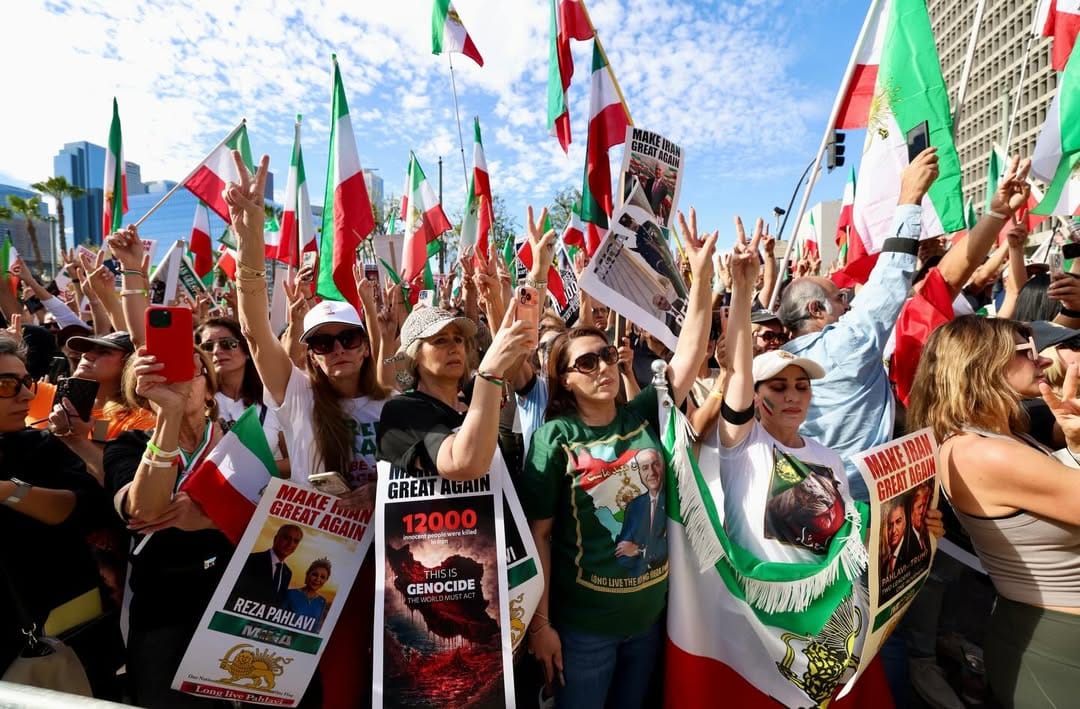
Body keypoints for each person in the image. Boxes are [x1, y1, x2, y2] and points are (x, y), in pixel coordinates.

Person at [521, 208, 716, 708]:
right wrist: (540, 626)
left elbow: (690, 356)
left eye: (607, 355)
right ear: (564, 379)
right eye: (586, 362)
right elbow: (540, 537)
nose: (603, 366)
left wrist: (700, 280)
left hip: (650, 622)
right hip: (584, 632)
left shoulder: (641, 413)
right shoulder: (554, 437)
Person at [227, 152, 390, 708]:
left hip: (387, 562)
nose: (338, 349)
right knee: (338, 686)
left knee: (391, 681)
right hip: (320, 560)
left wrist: (379, 492)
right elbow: (252, 326)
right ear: (310, 355)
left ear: (365, 343)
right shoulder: (295, 394)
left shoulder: (393, 405)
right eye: (323, 343)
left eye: (348, 338)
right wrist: (251, 236)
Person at [907, 315, 1080, 708]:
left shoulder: (1001, 437)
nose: (1045, 362)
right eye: (1028, 352)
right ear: (982, 363)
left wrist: (1075, 445)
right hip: (1060, 642)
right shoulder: (983, 452)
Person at [103, 344, 232, 708]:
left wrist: (208, 519)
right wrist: (170, 415)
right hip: (163, 615)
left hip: (238, 606)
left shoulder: (243, 440)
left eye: (188, 373)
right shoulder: (126, 448)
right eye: (165, 377)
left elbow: (270, 523)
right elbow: (142, 508)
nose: (178, 384)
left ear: (209, 387)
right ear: (143, 393)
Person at [0, 335, 118, 697]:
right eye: (7, 385)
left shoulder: (43, 446)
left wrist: (9, 492)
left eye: (26, 382)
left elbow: (83, 509)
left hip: (62, 642)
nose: (26, 396)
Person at [196, 317, 289, 476]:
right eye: (208, 346)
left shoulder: (272, 398)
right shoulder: (195, 402)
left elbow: (293, 461)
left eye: (228, 343)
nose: (217, 350)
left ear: (246, 351)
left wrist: (252, 470)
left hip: (260, 497)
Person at [613, 448, 667, 577]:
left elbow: (672, 545)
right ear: (640, 474)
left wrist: (639, 550)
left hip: (665, 583)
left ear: (663, 467)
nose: (651, 472)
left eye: (655, 465)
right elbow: (622, 553)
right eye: (645, 468)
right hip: (635, 579)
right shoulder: (634, 506)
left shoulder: (672, 500)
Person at [229, 524, 303, 608]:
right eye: (286, 538)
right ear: (275, 539)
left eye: (295, 541)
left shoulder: (287, 573)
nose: (290, 544)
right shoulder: (251, 560)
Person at [283, 558, 332, 633]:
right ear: (307, 574)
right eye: (315, 574)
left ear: (325, 581)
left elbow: (316, 628)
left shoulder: (322, 601)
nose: (318, 579)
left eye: (322, 577)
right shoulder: (290, 594)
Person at [880, 498, 915, 579]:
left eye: (898, 521)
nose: (893, 531)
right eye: (890, 525)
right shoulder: (884, 562)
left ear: (905, 522)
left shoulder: (913, 549)